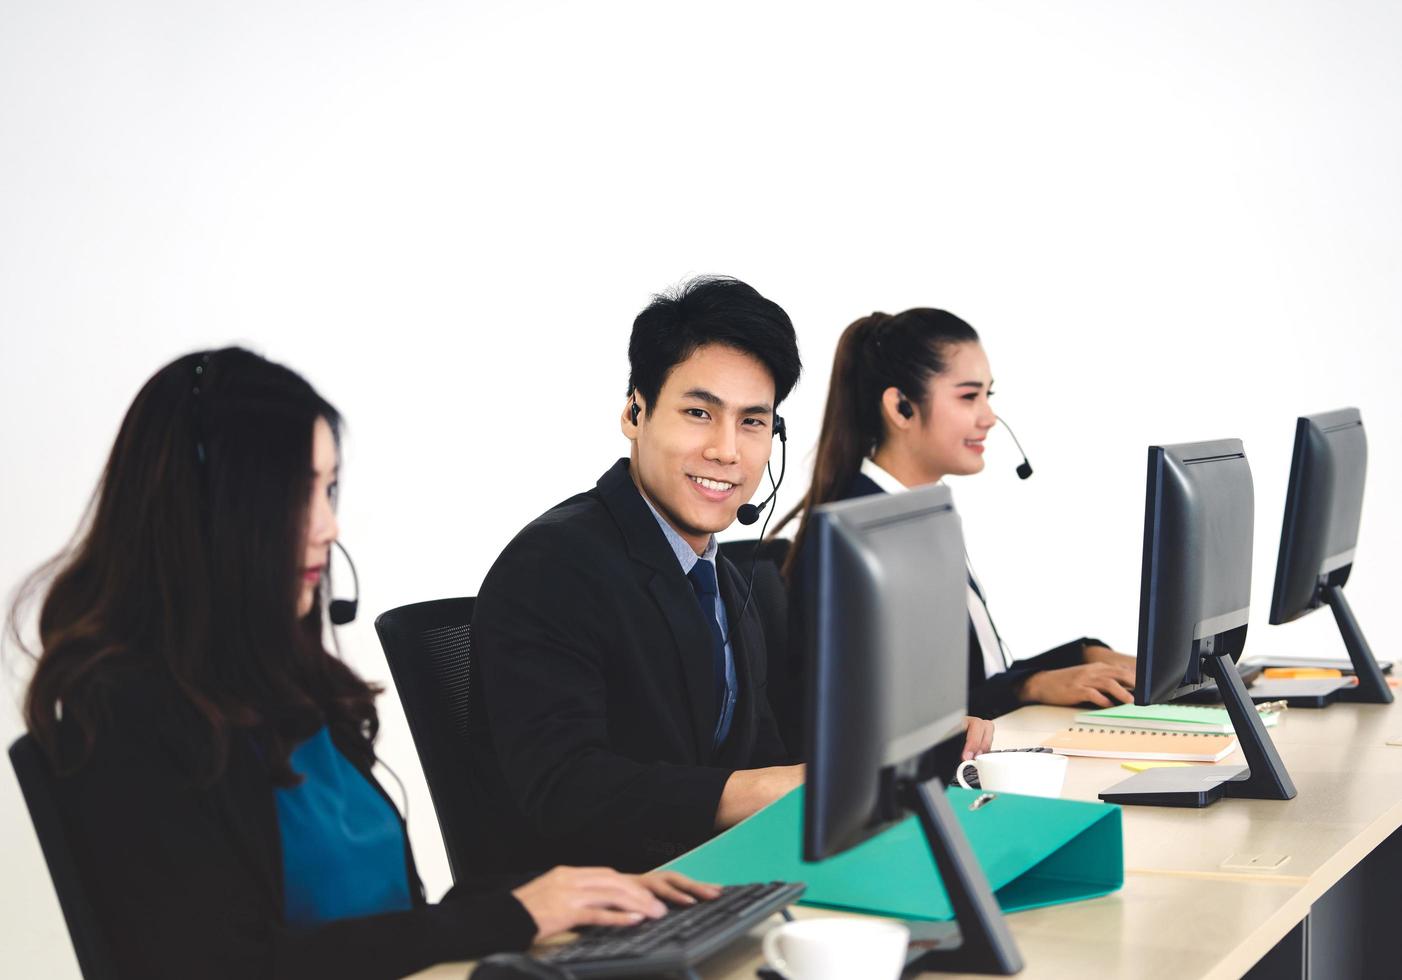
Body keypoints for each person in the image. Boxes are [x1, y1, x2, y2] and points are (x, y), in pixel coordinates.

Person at [12, 348, 713, 980]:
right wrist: (511, 915)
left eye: (330, 489)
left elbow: (389, 920)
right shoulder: (125, 711)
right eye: (299, 494)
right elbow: (223, 964)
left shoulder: (283, 683)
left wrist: (566, 895)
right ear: (216, 511)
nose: (329, 526)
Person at [470, 278, 995, 875]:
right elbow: (566, 788)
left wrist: (900, 752)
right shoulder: (555, 565)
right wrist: (767, 790)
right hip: (588, 918)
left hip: (719, 883)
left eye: (753, 423)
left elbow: (764, 752)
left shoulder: (719, 572)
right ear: (633, 411)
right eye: (699, 413)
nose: (727, 450)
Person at [773, 309, 1137, 744]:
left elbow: (974, 680)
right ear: (901, 408)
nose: (989, 418)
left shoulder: (915, 512)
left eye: (988, 395)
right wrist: (1030, 685)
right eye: (969, 397)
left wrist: (1082, 654)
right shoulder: (861, 532)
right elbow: (900, 722)